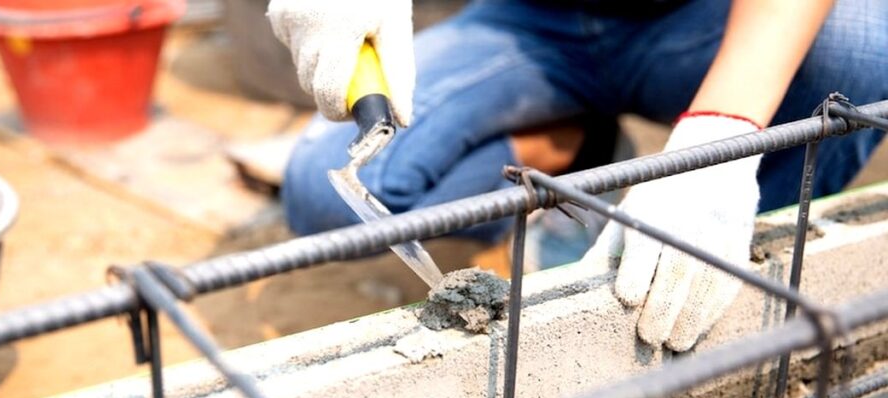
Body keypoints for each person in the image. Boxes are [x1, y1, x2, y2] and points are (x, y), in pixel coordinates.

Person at [265, 0, 888, 351]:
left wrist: (721, 131)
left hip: (701, 22)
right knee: (322, 191)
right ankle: (573, 147)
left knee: (866, 44)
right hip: (531, 23)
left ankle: (724, 286)